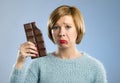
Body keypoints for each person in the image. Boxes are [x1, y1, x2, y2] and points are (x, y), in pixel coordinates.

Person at [10, 5, 107, 83]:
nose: (61, 33)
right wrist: (20, 62)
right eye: (55, 27)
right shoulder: (38, 65)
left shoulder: (95, 67)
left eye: (68, 27)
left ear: (78, 29)